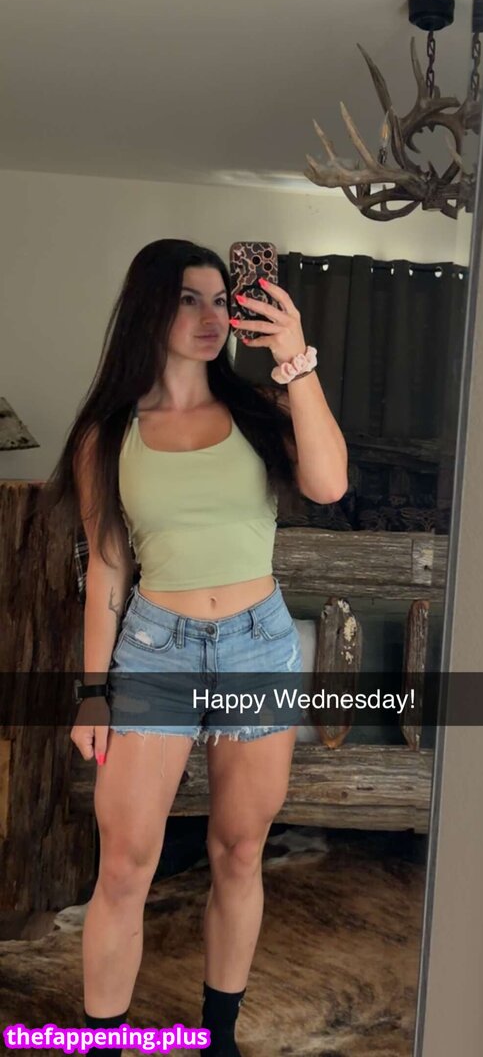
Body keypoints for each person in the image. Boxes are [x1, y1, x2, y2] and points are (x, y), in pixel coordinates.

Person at [44, 239, 348, 1057]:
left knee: (239, 852)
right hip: (156, 651)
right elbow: (108, 568)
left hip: (258, 647)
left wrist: (295, 360)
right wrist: (92, 691)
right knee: (124, 865)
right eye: (190, 298)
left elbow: (328, 485)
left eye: (222, 299)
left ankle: (217, 1039)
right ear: (150, 306)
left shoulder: (261, 410)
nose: (212, 315)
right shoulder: (109, 434)